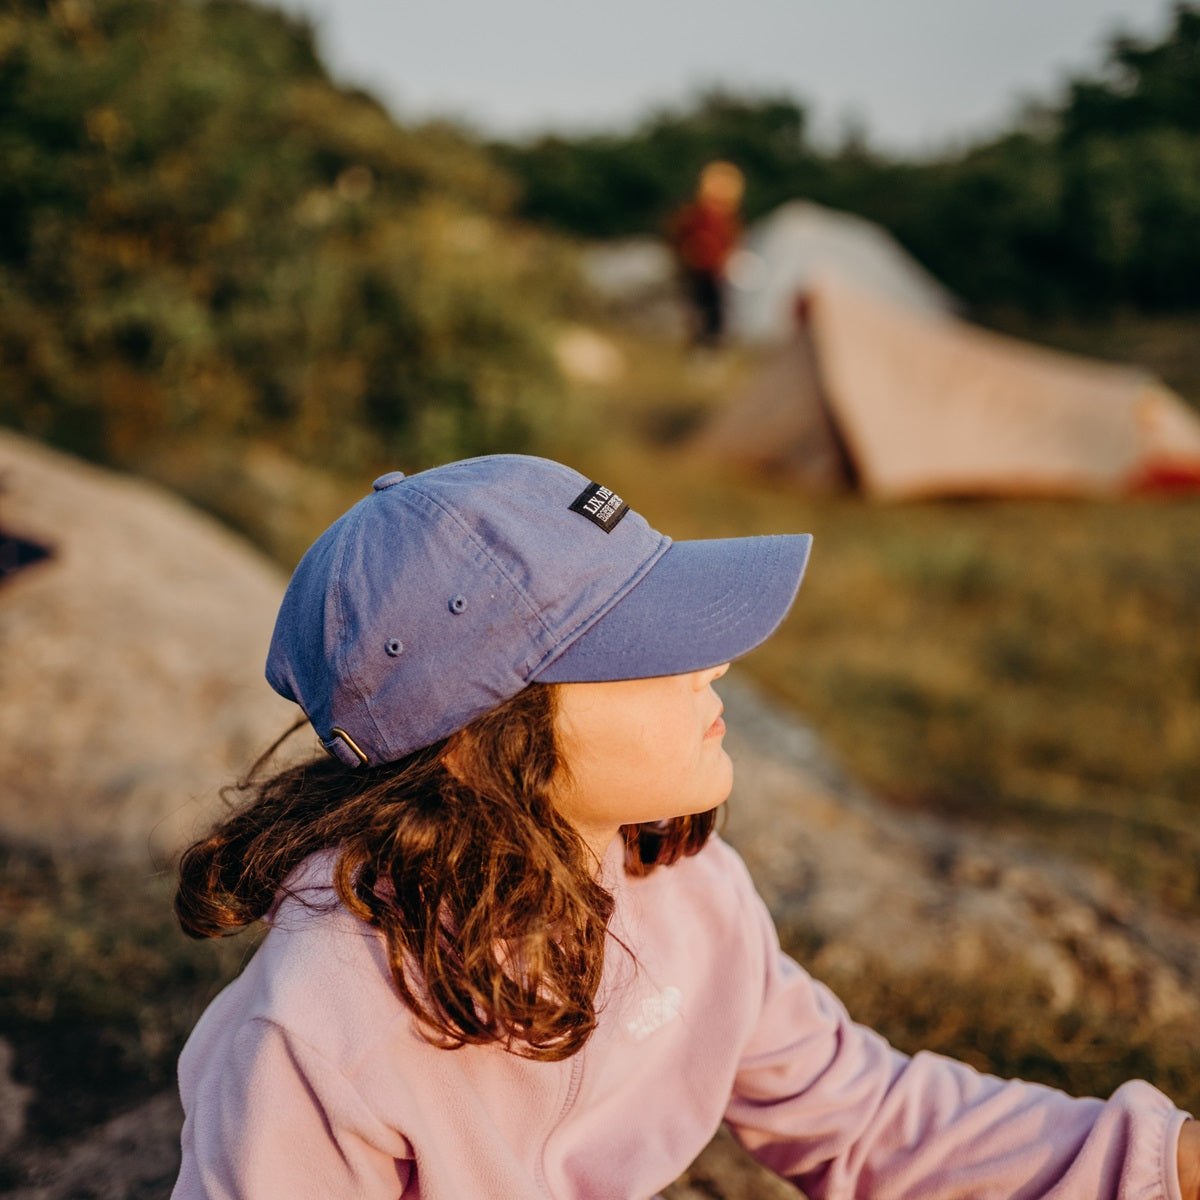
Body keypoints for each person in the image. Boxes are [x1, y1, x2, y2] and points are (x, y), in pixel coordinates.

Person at [171, 453, 1200, 1199]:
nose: (711, 665)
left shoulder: (681, 887)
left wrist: (1164, 1161)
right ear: (483, 742)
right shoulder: (319, 1033)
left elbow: (868, 1118)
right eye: (648, 644)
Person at [667, 160, 744, 349]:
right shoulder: (695, 214)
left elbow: (732, 243)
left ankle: (711, 344)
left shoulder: (728, 219)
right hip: (695, 268)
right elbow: (678, 235)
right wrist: (688, 251)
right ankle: (698, 344)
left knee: (715, 309)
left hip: (716, 271)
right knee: (695, 308)